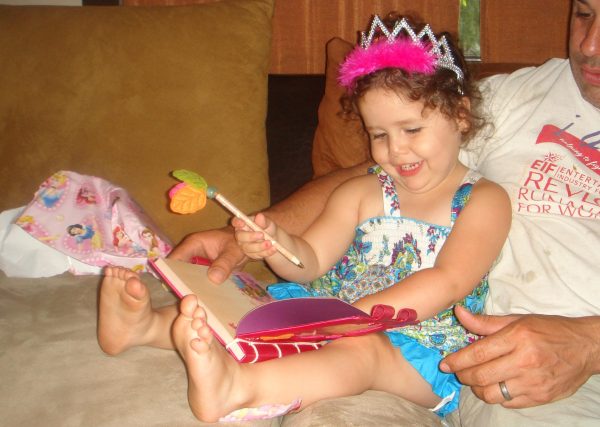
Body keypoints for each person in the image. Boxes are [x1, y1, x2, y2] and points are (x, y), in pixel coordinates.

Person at [98, 0, 600, 424]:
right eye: (378, 135)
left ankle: (239, 386)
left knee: (359, 354)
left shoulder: (485, 199)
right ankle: (143, 328)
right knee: (252, 306)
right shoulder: (364, 190)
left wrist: (351, 318)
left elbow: (447, 281)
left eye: (411, 130)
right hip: (336, 316)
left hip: (416, 347)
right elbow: (310, 260)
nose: (394, 151)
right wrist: (273, 241)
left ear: (461, 116)